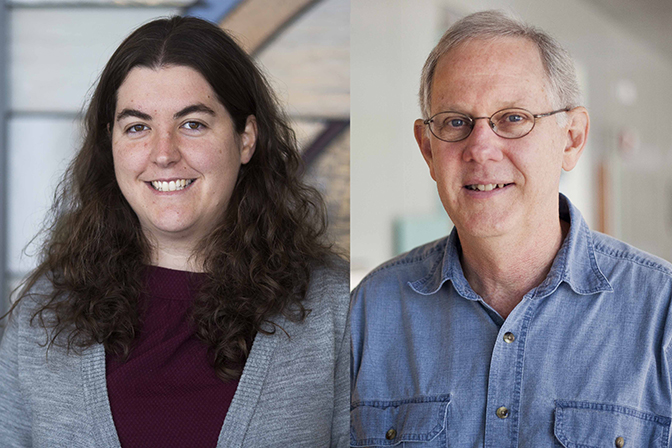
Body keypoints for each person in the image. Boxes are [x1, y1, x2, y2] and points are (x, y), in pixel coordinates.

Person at [0, 17, 349, 448]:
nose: (163, 153)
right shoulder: (43, 313)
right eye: (137, 127)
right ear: (110, 143)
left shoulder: (337, 308)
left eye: (193, 124)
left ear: (246, 139)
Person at [350, 10, 672, 447]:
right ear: (428, 149)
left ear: (572, 138)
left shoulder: (662, 314)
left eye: (514, 118)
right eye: (455, 122)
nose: (480, 148)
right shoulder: (367, 313)